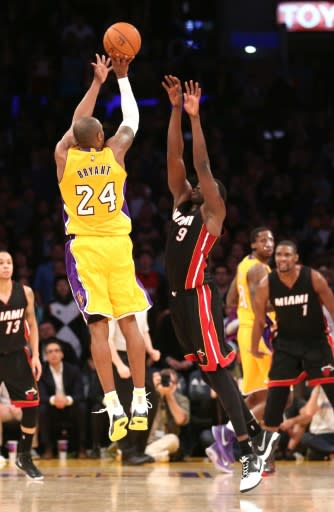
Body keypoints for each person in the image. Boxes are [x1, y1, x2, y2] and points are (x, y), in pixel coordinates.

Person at [161, 76, 279, 493]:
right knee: (211, 376)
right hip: (177, 302)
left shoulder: (212, 214)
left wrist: (196, 118)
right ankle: (257, 435)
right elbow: (174, 157)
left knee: (220, 372)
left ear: (214, 198)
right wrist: (174, 109)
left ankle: (248, 452)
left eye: (200, 187)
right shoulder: (180, 202)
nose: (191, 184)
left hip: (199, 298)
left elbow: (201, 166)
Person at [54, 53, 152, 443]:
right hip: (118, 246)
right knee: (129, 324)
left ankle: (114, 406)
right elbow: (132, 121)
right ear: (100, 138)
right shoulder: (114, 153)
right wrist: (122, 79)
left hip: (85, 251)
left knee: (99, 328)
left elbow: (72, 130)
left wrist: (96, 84)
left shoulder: (64, 158)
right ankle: (141, 401)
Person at [251, 240, 334, 450]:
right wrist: (253, 347)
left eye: (287, 255)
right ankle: (266, 455)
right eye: (279, 255)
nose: (282, 259)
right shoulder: (266, 284)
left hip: (317, 343)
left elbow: (333, 308)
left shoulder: (313, 277)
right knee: (275, 401)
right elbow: (259, 320)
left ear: (296, 258)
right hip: (286, 346)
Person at [0, 251, 43, 479]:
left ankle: (24, 456)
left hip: (17, 355)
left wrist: (36, 355)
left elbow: (33, 324)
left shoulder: (25, 292)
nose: (6, 266)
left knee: (31, 406)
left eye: (9, 262)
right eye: (1, 263)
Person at [226, 227, 275, 421]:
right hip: (260, 334)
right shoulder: (259, 269)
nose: (268, 244)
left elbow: (230, 300)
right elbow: (259, 307)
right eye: (263, 240)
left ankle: (229, 440)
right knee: (280, 395)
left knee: (258, 395)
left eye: (271, 240)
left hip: (246, 333)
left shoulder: (243, 265)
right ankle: (229, 435)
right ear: (253, 244)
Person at [108, 311, 160, 465]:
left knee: (151, 400)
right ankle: (127, 452)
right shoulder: (114, 302)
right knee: (123, 405)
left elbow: (144, 331)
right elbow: (107, 339)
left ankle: (139, 449)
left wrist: (150, 350)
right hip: (120, 356)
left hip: (138, 355)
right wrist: (118, 365)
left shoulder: (140, 299)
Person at [38, 339, 87, 459]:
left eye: (56, 351)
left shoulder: (73, 370)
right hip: (51, 407)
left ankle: (82, 448)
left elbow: (80, 394)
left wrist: (67, 400)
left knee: (82, 407)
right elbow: (40, 396)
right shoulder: (41, 372)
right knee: (42, 409)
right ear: (46, 356)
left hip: (70, 406)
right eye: (49, 352)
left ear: (62, 354)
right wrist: (54, 400)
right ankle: (48, 448)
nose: (53, 354)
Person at [143, 368, 190, 462]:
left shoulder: (181, 399)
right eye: (162, 380)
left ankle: (145, 455)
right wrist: (151, 389)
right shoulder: (148, 395)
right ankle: (155, 456)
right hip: (144, 439)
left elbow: (180, 420)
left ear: (176, 385)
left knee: (174, 440)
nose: (166, 383)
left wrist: (169, 396)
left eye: (170, 381)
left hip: (163, 440)